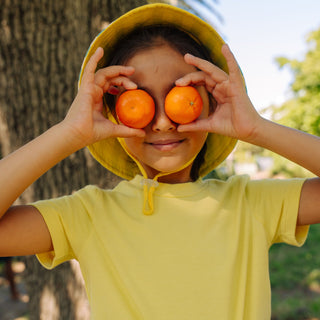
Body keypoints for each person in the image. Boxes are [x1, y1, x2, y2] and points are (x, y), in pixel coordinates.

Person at [0, 3, 319, 319]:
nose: (164, 122)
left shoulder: (251, 204)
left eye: (180, 97)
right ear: (112, 116)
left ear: (210, 103)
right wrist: (69, 133)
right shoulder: (88, 215)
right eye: (137, 101)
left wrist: (257, 128)